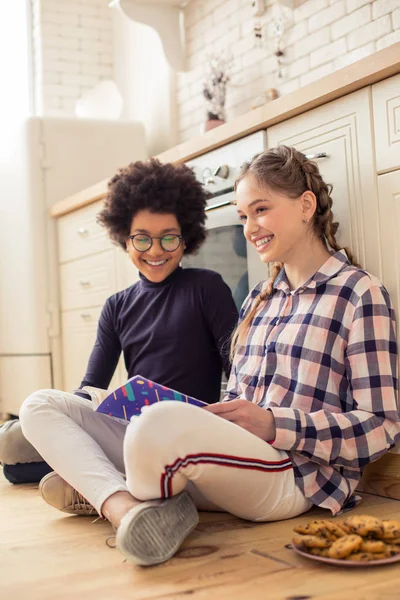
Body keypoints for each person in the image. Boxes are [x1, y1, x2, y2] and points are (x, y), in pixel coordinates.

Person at [20, 146, 400, 567]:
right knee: (40, 405)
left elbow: (382, 428)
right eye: (243, 216)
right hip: (231, 463)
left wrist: (274, 423)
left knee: (157, 423)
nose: (250, 228)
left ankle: (108, 486)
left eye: (261, 210)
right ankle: (125, 508)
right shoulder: (260, 298)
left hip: (295, 476)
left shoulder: (358, 293)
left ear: (306, 205)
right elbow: (235, 395)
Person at [1, 158, 238, 492]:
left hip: (189, 436)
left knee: (25, 458)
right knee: (14, 440)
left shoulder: (207, 287)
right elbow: (89, 386)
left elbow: (239, 370)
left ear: (186, 239)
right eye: (142, 239)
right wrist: (75, 414)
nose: (155, 250)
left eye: (168, 238)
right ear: (124, 239)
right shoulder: (116, 306)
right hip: (131, 430)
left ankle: (96, 480)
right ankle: (119, 477)